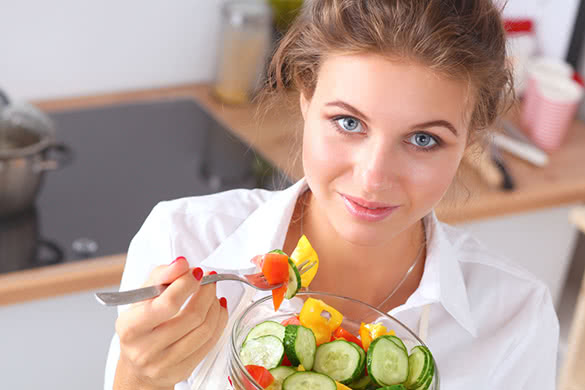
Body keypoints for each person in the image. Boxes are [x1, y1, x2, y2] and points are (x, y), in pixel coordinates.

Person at [105, 0, 559, 389]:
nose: (373, 177)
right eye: (349, 122)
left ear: (470, 140)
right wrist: (139, 377)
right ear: (306, 93)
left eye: (423, 139)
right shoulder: (184, 239)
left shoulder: (515, 316)